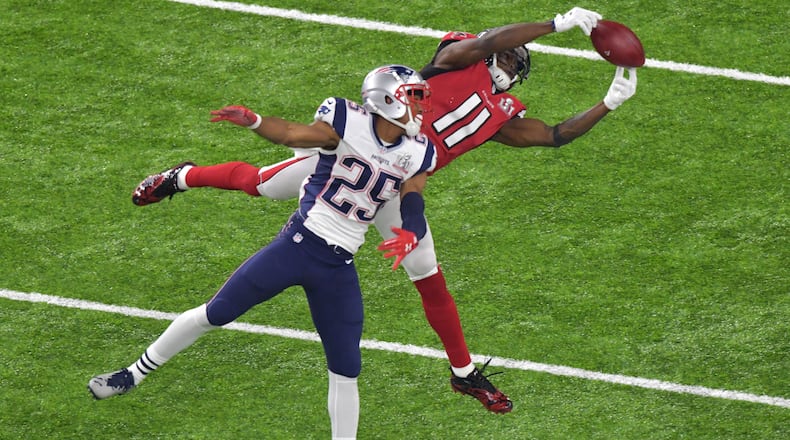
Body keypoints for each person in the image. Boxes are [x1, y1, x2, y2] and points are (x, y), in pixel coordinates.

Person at [130, 7, 638, 414]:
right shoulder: (457, 59)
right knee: (262, 184)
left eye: (514, 61)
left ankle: (463, 374)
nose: (509, 64)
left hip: (400, 186)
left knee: (429, 275)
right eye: (507, 55)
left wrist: (609, 103)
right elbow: (487, 43)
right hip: (357, 159)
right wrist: (555, 24)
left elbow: (554, 135)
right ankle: (182, 176)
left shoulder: (502, 115)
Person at [89, 65, 435, 440]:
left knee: (346, 368)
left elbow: (413, 201)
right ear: (387, 99)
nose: (421, 106)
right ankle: (132, 374)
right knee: (215, 313)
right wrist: (254, 121)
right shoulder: (346, 122)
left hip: (339, 265)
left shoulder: (417, 151)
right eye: (414, 97)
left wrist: (412, 232)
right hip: (299, 245)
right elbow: (290, 133)